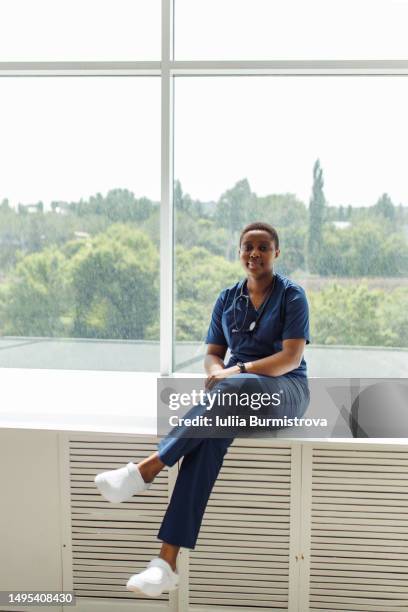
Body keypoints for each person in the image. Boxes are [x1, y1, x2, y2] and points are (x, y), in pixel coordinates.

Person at [94, 221, 311, 597]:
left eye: (263, 247)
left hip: (284, 394)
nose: (254, 254)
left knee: (236, 386)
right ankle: (164, 563)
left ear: (277, 253)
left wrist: (235, 371)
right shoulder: (227, 298)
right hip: (233, 396)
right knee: (207, 439)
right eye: (247, 247)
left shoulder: (292, 296)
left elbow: (290, 358)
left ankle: (146, 469)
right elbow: (212, 354)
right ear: (239, 252)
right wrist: (217, 373)